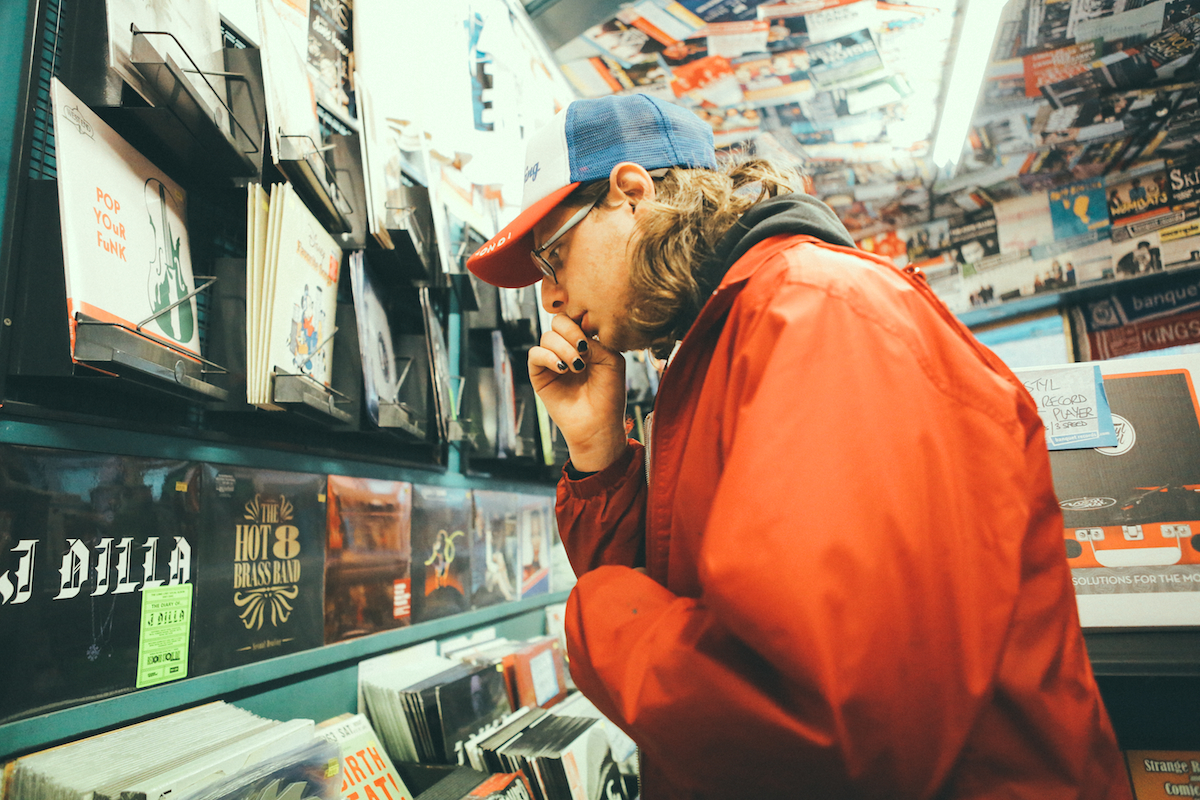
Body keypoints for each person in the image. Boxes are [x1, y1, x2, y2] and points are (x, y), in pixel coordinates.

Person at [466, 94, 1130, 800]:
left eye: (553, 256)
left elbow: (819, 724)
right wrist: (600, 453)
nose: (552, 299)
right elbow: (689, 604)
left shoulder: (817, 314)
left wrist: (595, 612)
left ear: (631, 194)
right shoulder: (724, 341)